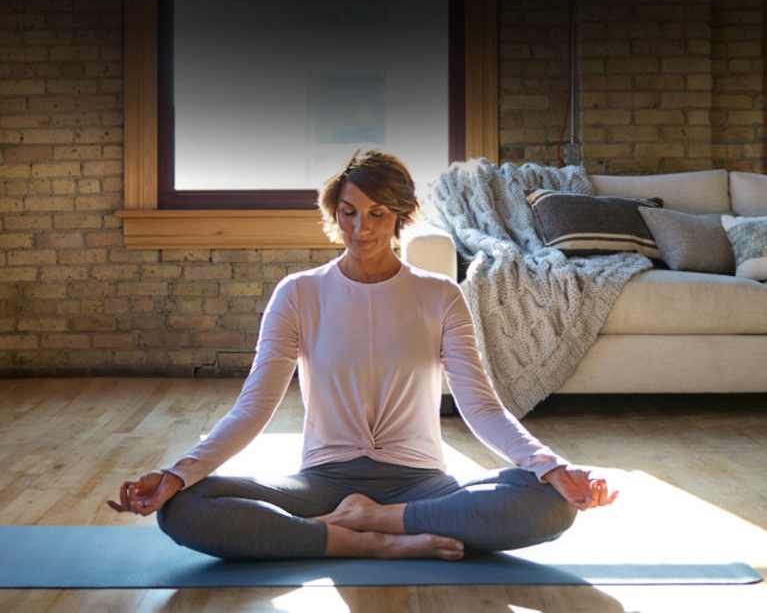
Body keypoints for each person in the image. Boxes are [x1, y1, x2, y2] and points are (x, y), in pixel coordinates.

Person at [108, 149, 619, 561]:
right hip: (321, 484)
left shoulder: (440, 295)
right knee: (183, 508)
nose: (361, 228)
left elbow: (482, 408)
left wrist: (552, 467)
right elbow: (252, 409)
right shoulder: (298, 293)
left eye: (376, 214)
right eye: (348, 213)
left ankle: (372, 522)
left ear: (399, 216)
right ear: (335, 215)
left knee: (550, 505)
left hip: (418, 484)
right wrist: (177, 473)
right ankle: (356, 540)